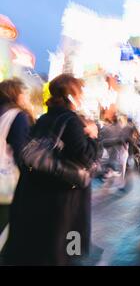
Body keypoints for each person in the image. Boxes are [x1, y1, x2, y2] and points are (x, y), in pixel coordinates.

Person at [5, 74, 99, 265]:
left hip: (35, 192)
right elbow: (86, 158)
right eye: (79, 93)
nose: (82, 97)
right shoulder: (72, 120)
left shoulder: (44, 118)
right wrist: (93, 136)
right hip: (63, 199)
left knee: (38, 249)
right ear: (71, 95)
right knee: (62, 250)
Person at [0, 78, 33, 240]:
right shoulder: (18, 116)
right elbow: (21, 152)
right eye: (24, 93)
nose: (27, 97)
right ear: (15, 94)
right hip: (4, 183)